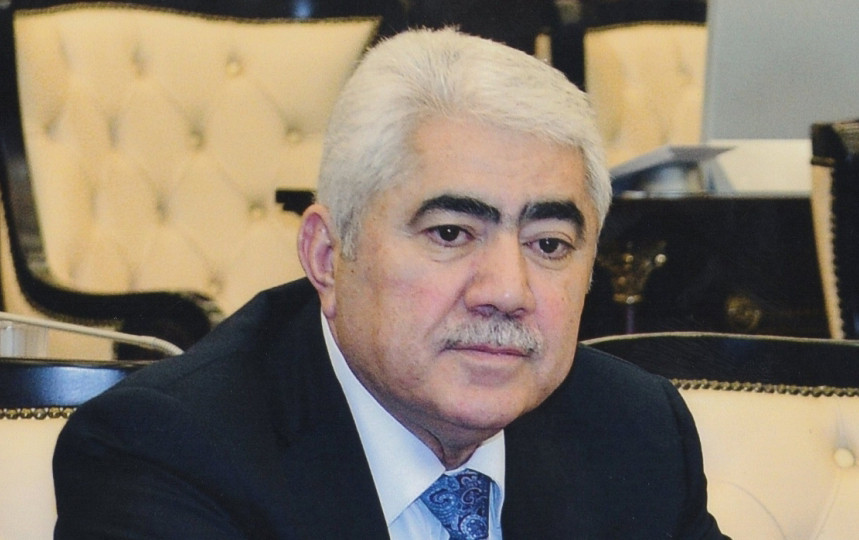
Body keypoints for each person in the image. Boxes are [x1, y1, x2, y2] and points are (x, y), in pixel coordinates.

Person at [53, 28, 728, 539]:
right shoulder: (167, 451)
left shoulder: (634, 430)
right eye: (450, 233)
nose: (507, 290)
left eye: (548, 244)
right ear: (327, 256)